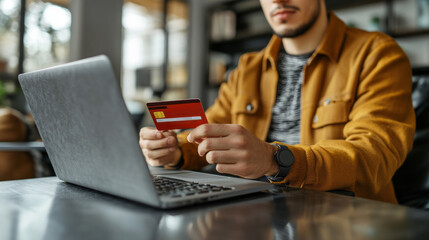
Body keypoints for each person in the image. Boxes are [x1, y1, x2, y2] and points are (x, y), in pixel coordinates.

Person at [139, 0, 415, 203]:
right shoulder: (246, 68)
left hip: (344, 217)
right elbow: (205, 133)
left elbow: (374, 156)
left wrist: (275, 160)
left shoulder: (378, 54)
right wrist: (174, 152)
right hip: (250, 212)